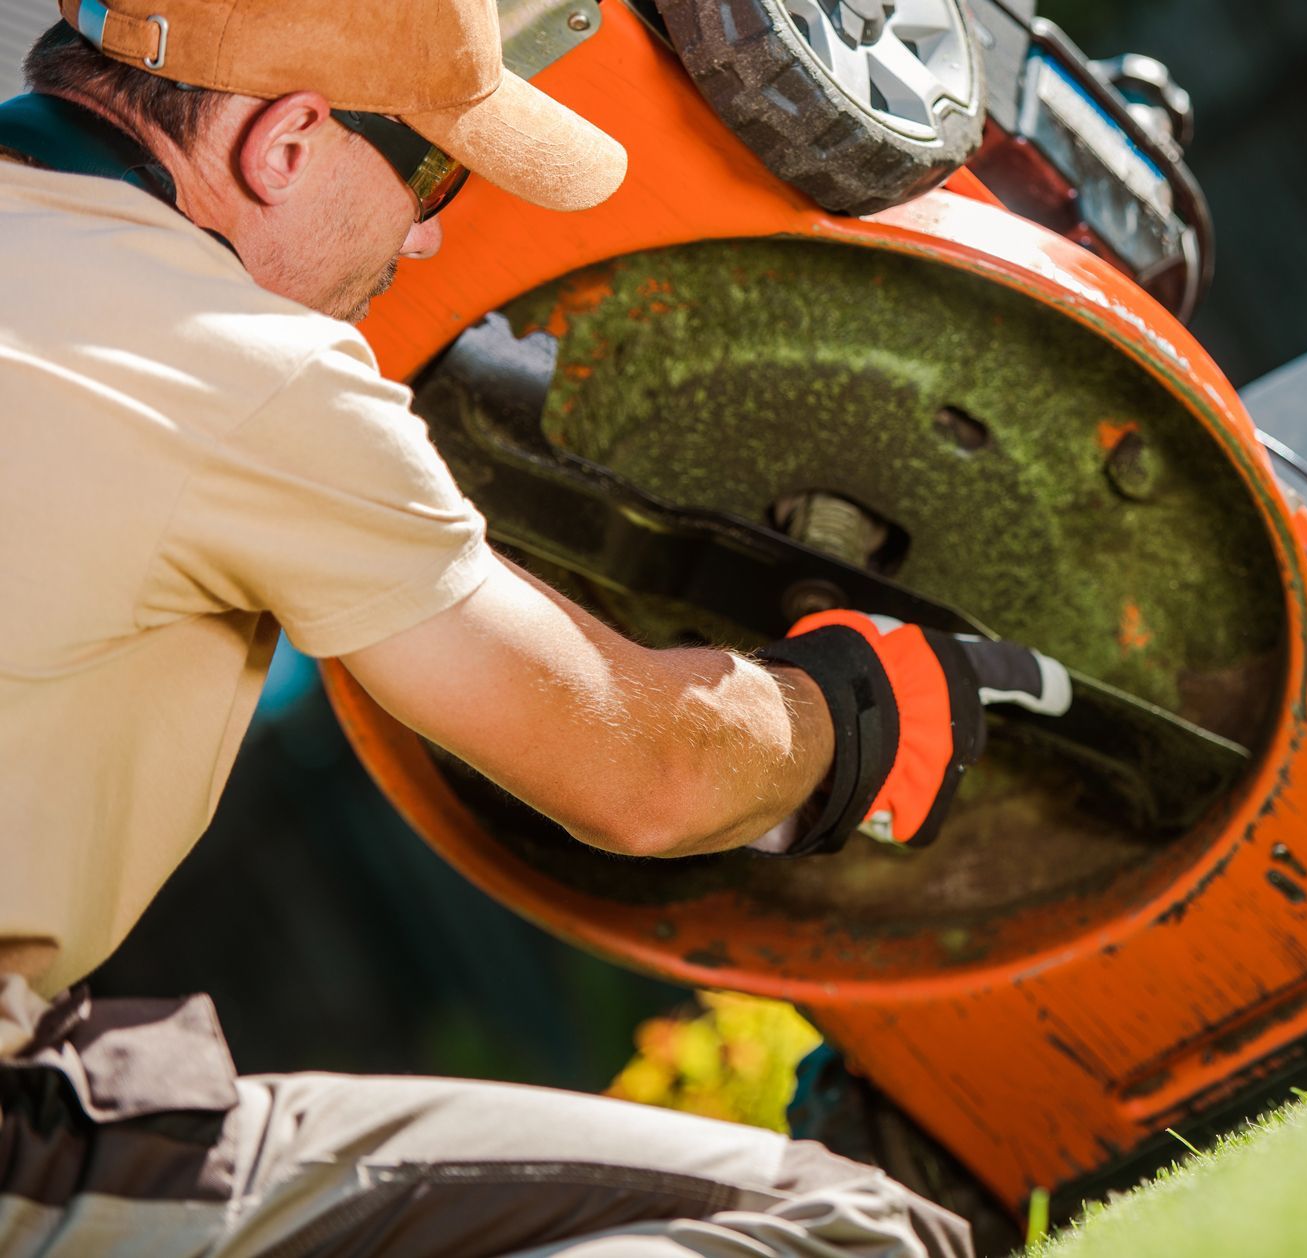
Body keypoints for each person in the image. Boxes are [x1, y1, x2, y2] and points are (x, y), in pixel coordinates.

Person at [0, 1, 1069, 1253]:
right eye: (434, 169)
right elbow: (645, 773)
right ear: (284, 144)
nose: (432, 226)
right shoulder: (231, 358)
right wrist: (853, 710)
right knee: (848, 1228)